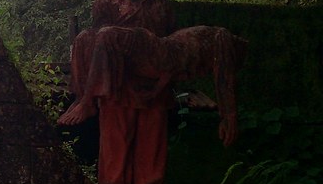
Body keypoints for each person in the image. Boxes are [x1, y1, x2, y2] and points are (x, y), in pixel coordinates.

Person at [60, 0, 176, 184]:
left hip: (154, 80)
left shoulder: (160, 4)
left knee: (152, 141)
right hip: (119, 82)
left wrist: (165, 80)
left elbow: (171, 45)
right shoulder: (107, 2)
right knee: (116, 140)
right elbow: (103, 42)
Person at [59, 25, 246, 148]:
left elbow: (170, 72)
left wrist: (154, 92)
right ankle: (85, 100)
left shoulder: (205, 43)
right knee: (102, 35)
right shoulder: (223, 38)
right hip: (157, 51)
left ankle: (84, 100)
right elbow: (225, 81)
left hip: (157, 64)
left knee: (88, 37)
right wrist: (229, 117)